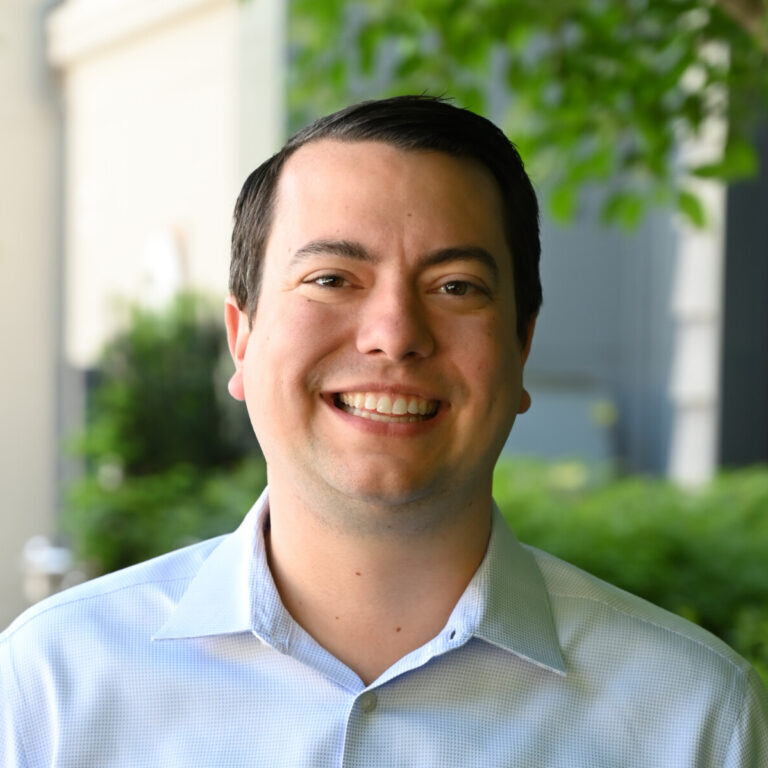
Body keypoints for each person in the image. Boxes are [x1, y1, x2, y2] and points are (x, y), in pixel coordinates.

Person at [2, 95, 766, 767]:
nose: (395, 334)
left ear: (521, 344)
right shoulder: (51, 687)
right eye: (331, 279)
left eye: (455, 287)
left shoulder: (694, 719)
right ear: (242, 337)